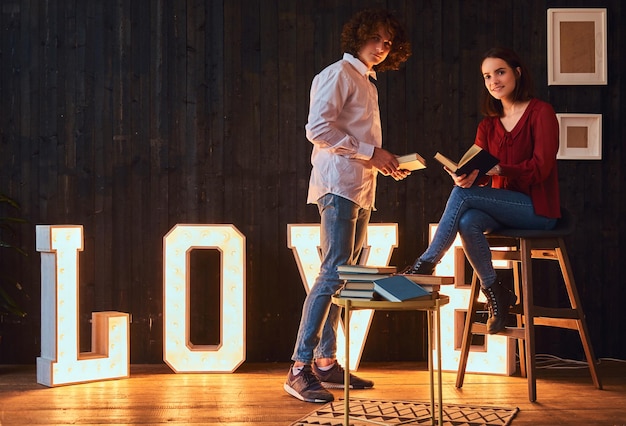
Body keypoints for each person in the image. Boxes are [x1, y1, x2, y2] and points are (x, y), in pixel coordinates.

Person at [284, 9, 412, 403]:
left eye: (388, 42)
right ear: (358, 37)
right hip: (338, 187)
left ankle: (325, 363)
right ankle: (298, 368)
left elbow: (354, 139)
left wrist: (382, 163)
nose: (382, 46)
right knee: (333, 273)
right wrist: (373, 153)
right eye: (376, 38)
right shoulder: (338, 74)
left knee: (343, 276)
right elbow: (317, 129)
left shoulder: (367, 83)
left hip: (359, 188)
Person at [402, 47, 560, 335]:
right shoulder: (488, 125)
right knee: (467, 219)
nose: (493, 81)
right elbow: (482, 178)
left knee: (464, 200)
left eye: (500, 72)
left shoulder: (541, 112)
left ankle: (425, 264)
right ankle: (494, 290)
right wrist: (466, 177)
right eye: (487, 76)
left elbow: (542, 168)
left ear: (517, 72)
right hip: (502, 208)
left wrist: (500, 170)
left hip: (537, 210)